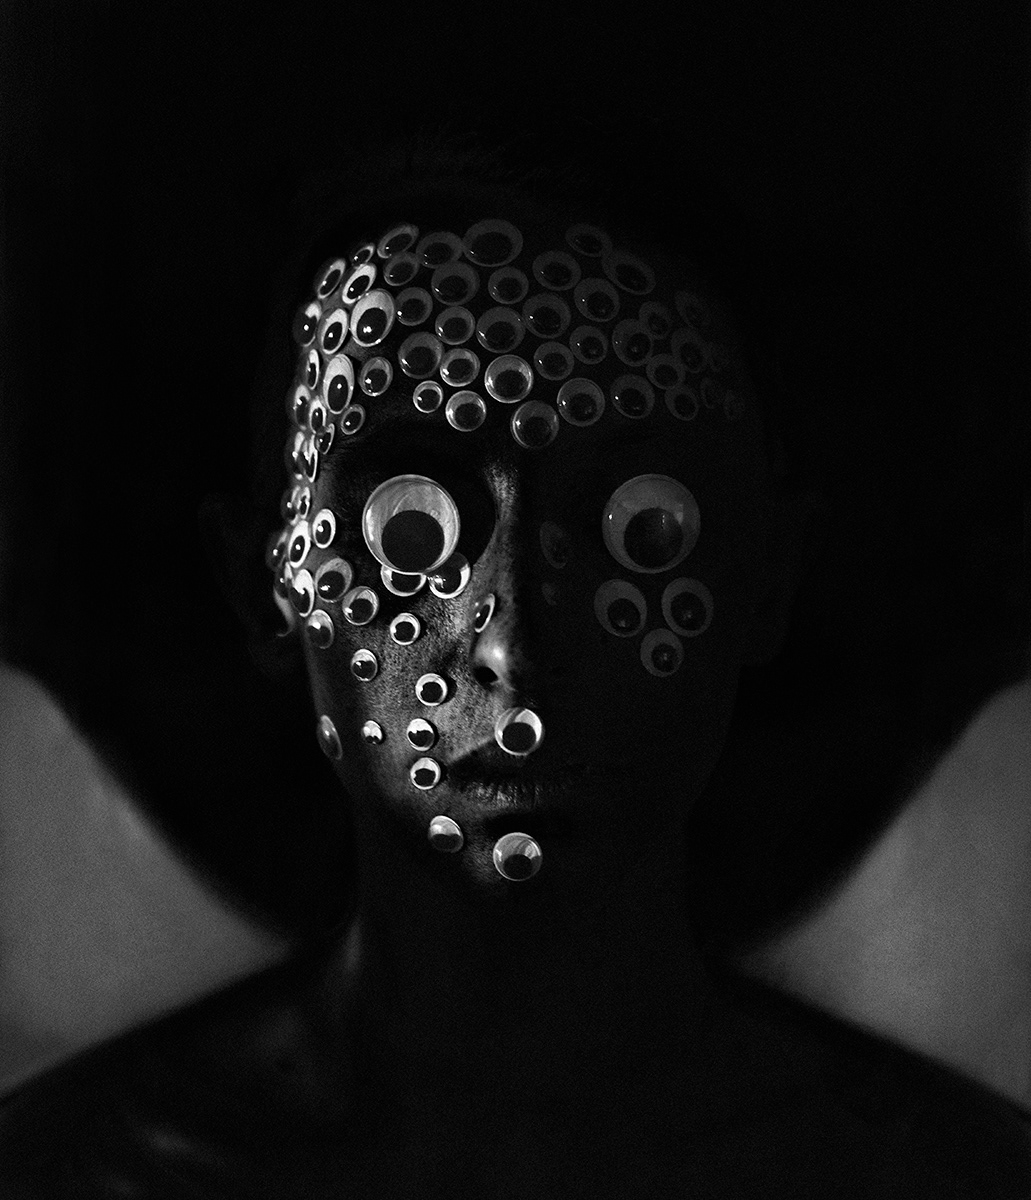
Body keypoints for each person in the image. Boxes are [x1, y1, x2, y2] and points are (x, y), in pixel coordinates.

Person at [0, 119, 1027, 1198]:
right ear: (269, 581)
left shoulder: (943, 1178)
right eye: (411, 532)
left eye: (642, 531)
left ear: (764, 574)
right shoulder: (84, 1174)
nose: (511, 645)